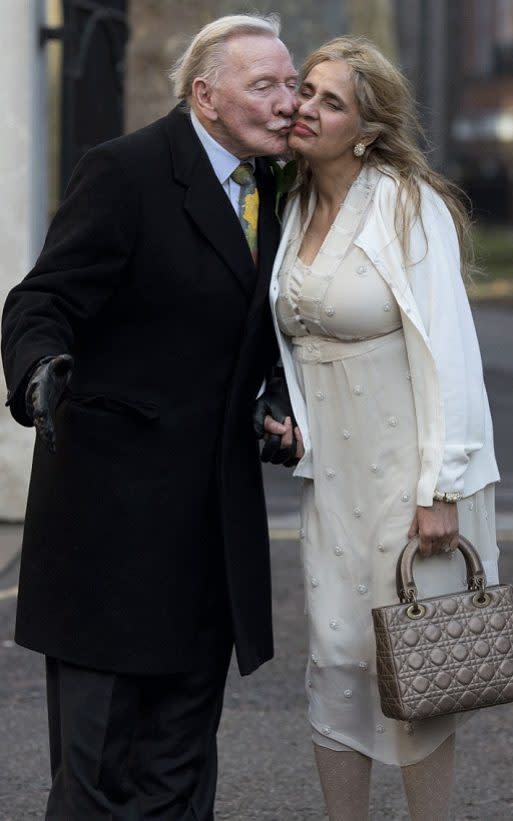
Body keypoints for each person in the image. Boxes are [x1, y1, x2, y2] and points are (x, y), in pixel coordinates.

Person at [1, 14, 298, 820]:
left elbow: (248, 325)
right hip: (111, 528)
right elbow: (43, 299)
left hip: (210, 535)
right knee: (95, 776)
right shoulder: (124, 172)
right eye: (263, 85)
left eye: (291, 84)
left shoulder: (276, 187)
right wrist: (39, 371)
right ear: (205, 96)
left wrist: (276, 398)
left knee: (179, 770)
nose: (286, 102)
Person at [260, 36, 500, 821]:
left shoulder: (403, 202)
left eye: (331, 100)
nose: (306, 107)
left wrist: (441, 488)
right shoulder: (290, 201)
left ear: (364, 129)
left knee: (414, 669)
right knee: (335, 658)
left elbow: (450, 352)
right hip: (331, 480)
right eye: (306, 90)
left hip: (412, 476)